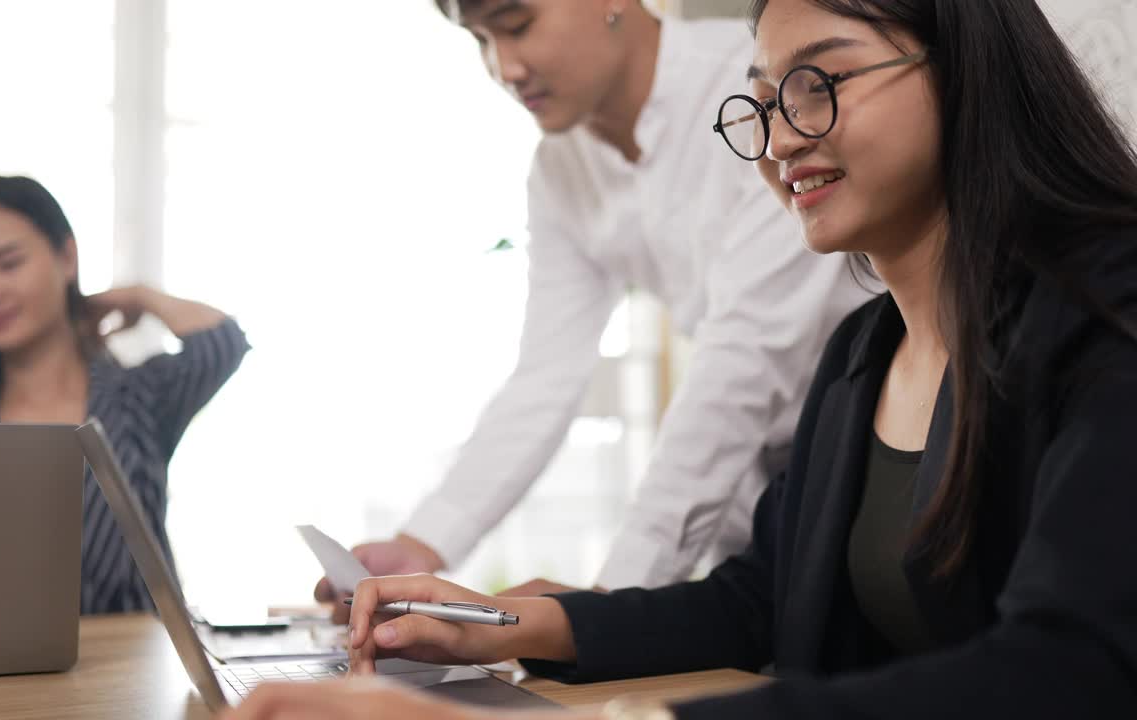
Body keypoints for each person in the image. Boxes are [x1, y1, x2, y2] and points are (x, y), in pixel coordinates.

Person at [226, 0, 1137, 717]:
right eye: (766, 102)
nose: (779, 140)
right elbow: (756, 599)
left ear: (965, 66)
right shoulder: (865, 354)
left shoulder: (1106, 319)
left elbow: (1069, 672)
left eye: (821, 83)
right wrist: (491, 621)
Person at [316, 0, 867, 607]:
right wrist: (423, 544)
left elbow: (743, 359)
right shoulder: (559, 170)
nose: (506, 67)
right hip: (747, 498)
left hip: (865, 453)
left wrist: (611, 603)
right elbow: (546, 375)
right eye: (480, 41)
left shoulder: (751, 93)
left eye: (516, 26)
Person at [0, 175, 249, 615]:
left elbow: (222, 341)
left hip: (136, 667)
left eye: (8, 263)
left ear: (66, 256)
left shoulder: (139, 398)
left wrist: (138, 295)